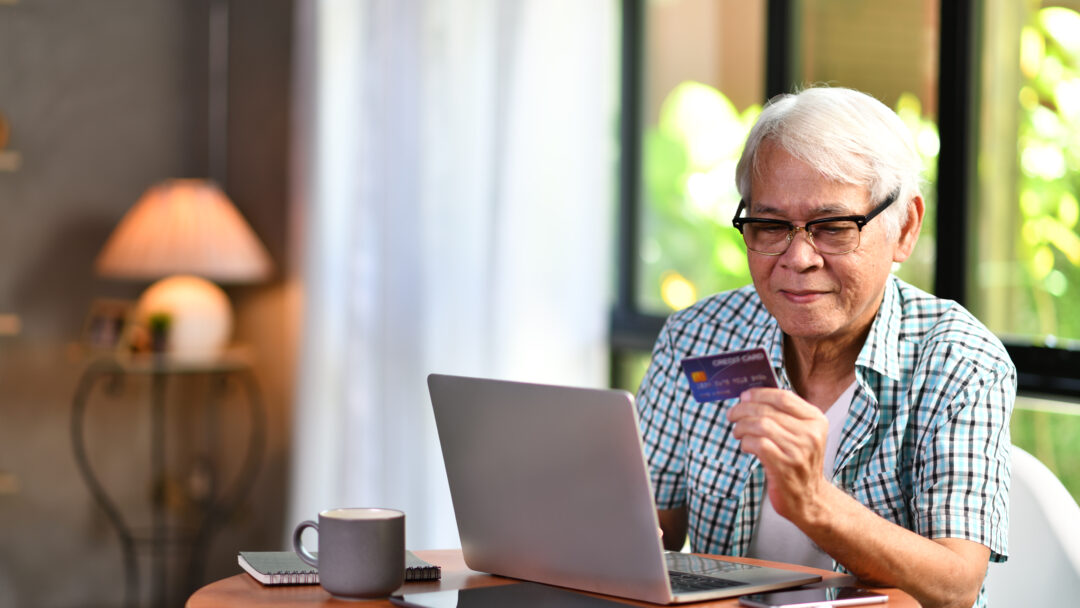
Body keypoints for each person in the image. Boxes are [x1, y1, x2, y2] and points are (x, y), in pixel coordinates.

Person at [636, 87, 1015, 608]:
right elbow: (653, 525)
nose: (798, 258)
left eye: (833, 228)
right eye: (770, 225)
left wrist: (813, 502)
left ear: (904, 228)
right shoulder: (698, 336)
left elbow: (955, 585)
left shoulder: (959, 362)